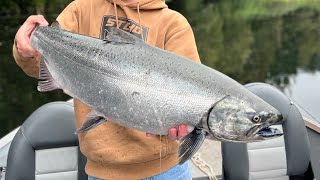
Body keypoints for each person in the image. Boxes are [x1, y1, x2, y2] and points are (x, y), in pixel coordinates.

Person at [13, 0, 201, 179]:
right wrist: (24, 48)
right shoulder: (81, 9)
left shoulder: (174, 25)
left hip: (166, 171)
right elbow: (40, 65)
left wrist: (184, 126)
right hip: (101, 172)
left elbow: (194, 98)